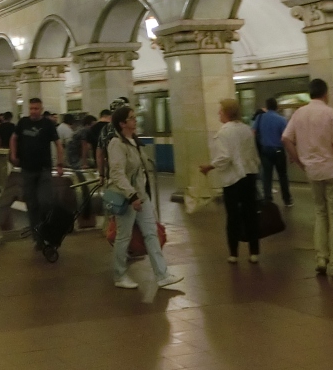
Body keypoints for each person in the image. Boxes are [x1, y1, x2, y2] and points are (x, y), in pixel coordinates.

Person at [282, 78, 333, 278]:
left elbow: (286, 138)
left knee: (320, 213)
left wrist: (300, 162)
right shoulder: (331, 114)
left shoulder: (299, 113)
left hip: (312, 172)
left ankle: (321, 258)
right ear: (326, 94)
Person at [105, 105, 182, 291]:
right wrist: (131, 196)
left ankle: (162, 275)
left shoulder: (134, 141)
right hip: (127, 197)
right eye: (131, 118)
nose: (135, 120)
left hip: (141, 196)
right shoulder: (117, 144)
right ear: (122, 123)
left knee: (151, 233)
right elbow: (117, 173)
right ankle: (119, 275)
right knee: (124, 236)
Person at [200, 98, 262, 263]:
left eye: (220, 111)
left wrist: (209, 166)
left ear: (227, 112)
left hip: (233, 179)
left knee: (233, 216)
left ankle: (233, 254)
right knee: (250, 214)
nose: (219, 113)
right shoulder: (246, 129)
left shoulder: (223, 132)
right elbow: (254, 155)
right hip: (250, 176)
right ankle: (254, 252)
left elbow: (224, 157)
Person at [12, 98, 62, 242]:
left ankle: (47, 230)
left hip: (44, 169)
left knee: (45, 201)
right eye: (31, 109)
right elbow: (14, 138)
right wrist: (13, 155)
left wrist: (60, 163)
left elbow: (58, 144)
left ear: (41, 109)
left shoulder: (48, 124)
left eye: (36, 109)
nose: (33, 111)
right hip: (27, 169)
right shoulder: (23, 123)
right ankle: (37, 235)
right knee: (31, 204)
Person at [252, 97, 292, 206]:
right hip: (279, 150)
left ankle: (268, 199)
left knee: (267, 176)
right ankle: (287, 199)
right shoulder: (281, 119)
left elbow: (253, 132)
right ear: (276, 107)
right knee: (282, 175)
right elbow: (286, 137)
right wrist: (291, 153)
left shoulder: (260, 117)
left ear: (267, 106)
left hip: (265, 150)